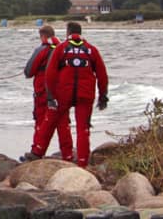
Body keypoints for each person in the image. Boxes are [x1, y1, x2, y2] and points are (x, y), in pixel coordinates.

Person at [22, 21, 109, 167]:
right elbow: (102, 74)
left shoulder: (61, 49)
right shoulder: (91, 50)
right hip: (85, 94)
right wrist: (103, 96)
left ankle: (38, 152)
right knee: (83, 128)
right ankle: (82, 161)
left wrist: (51, 96)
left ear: (68, 32)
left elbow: (50, 74)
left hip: (64, 93)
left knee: (51, 121)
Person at [23, 25, 73, 162]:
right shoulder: (64, 48)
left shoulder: (42, 50)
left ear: (43, 36)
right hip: (62, 92)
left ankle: (37, 151)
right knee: (63, 123)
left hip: (44, 93)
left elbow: (28, 71)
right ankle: (68, 154)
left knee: (41, 122)